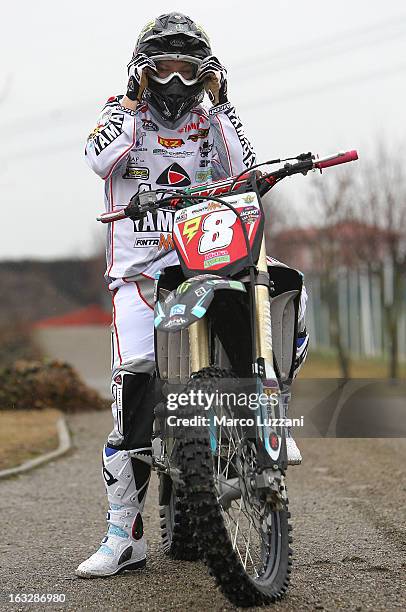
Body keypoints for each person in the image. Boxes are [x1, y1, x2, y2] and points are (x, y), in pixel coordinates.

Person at [76, 11, 308, 578]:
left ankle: (266, 415)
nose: (176, 83)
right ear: (143, 73)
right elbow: (100, 160)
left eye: (189, 70)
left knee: (283, 289)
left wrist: (222, 105)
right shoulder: (119, 115)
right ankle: (122, 536)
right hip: (141, 278)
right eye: (164, 70)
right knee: (133, 387)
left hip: (205, 257)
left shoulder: (211, 119)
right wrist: (131, 108)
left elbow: (245, 170)